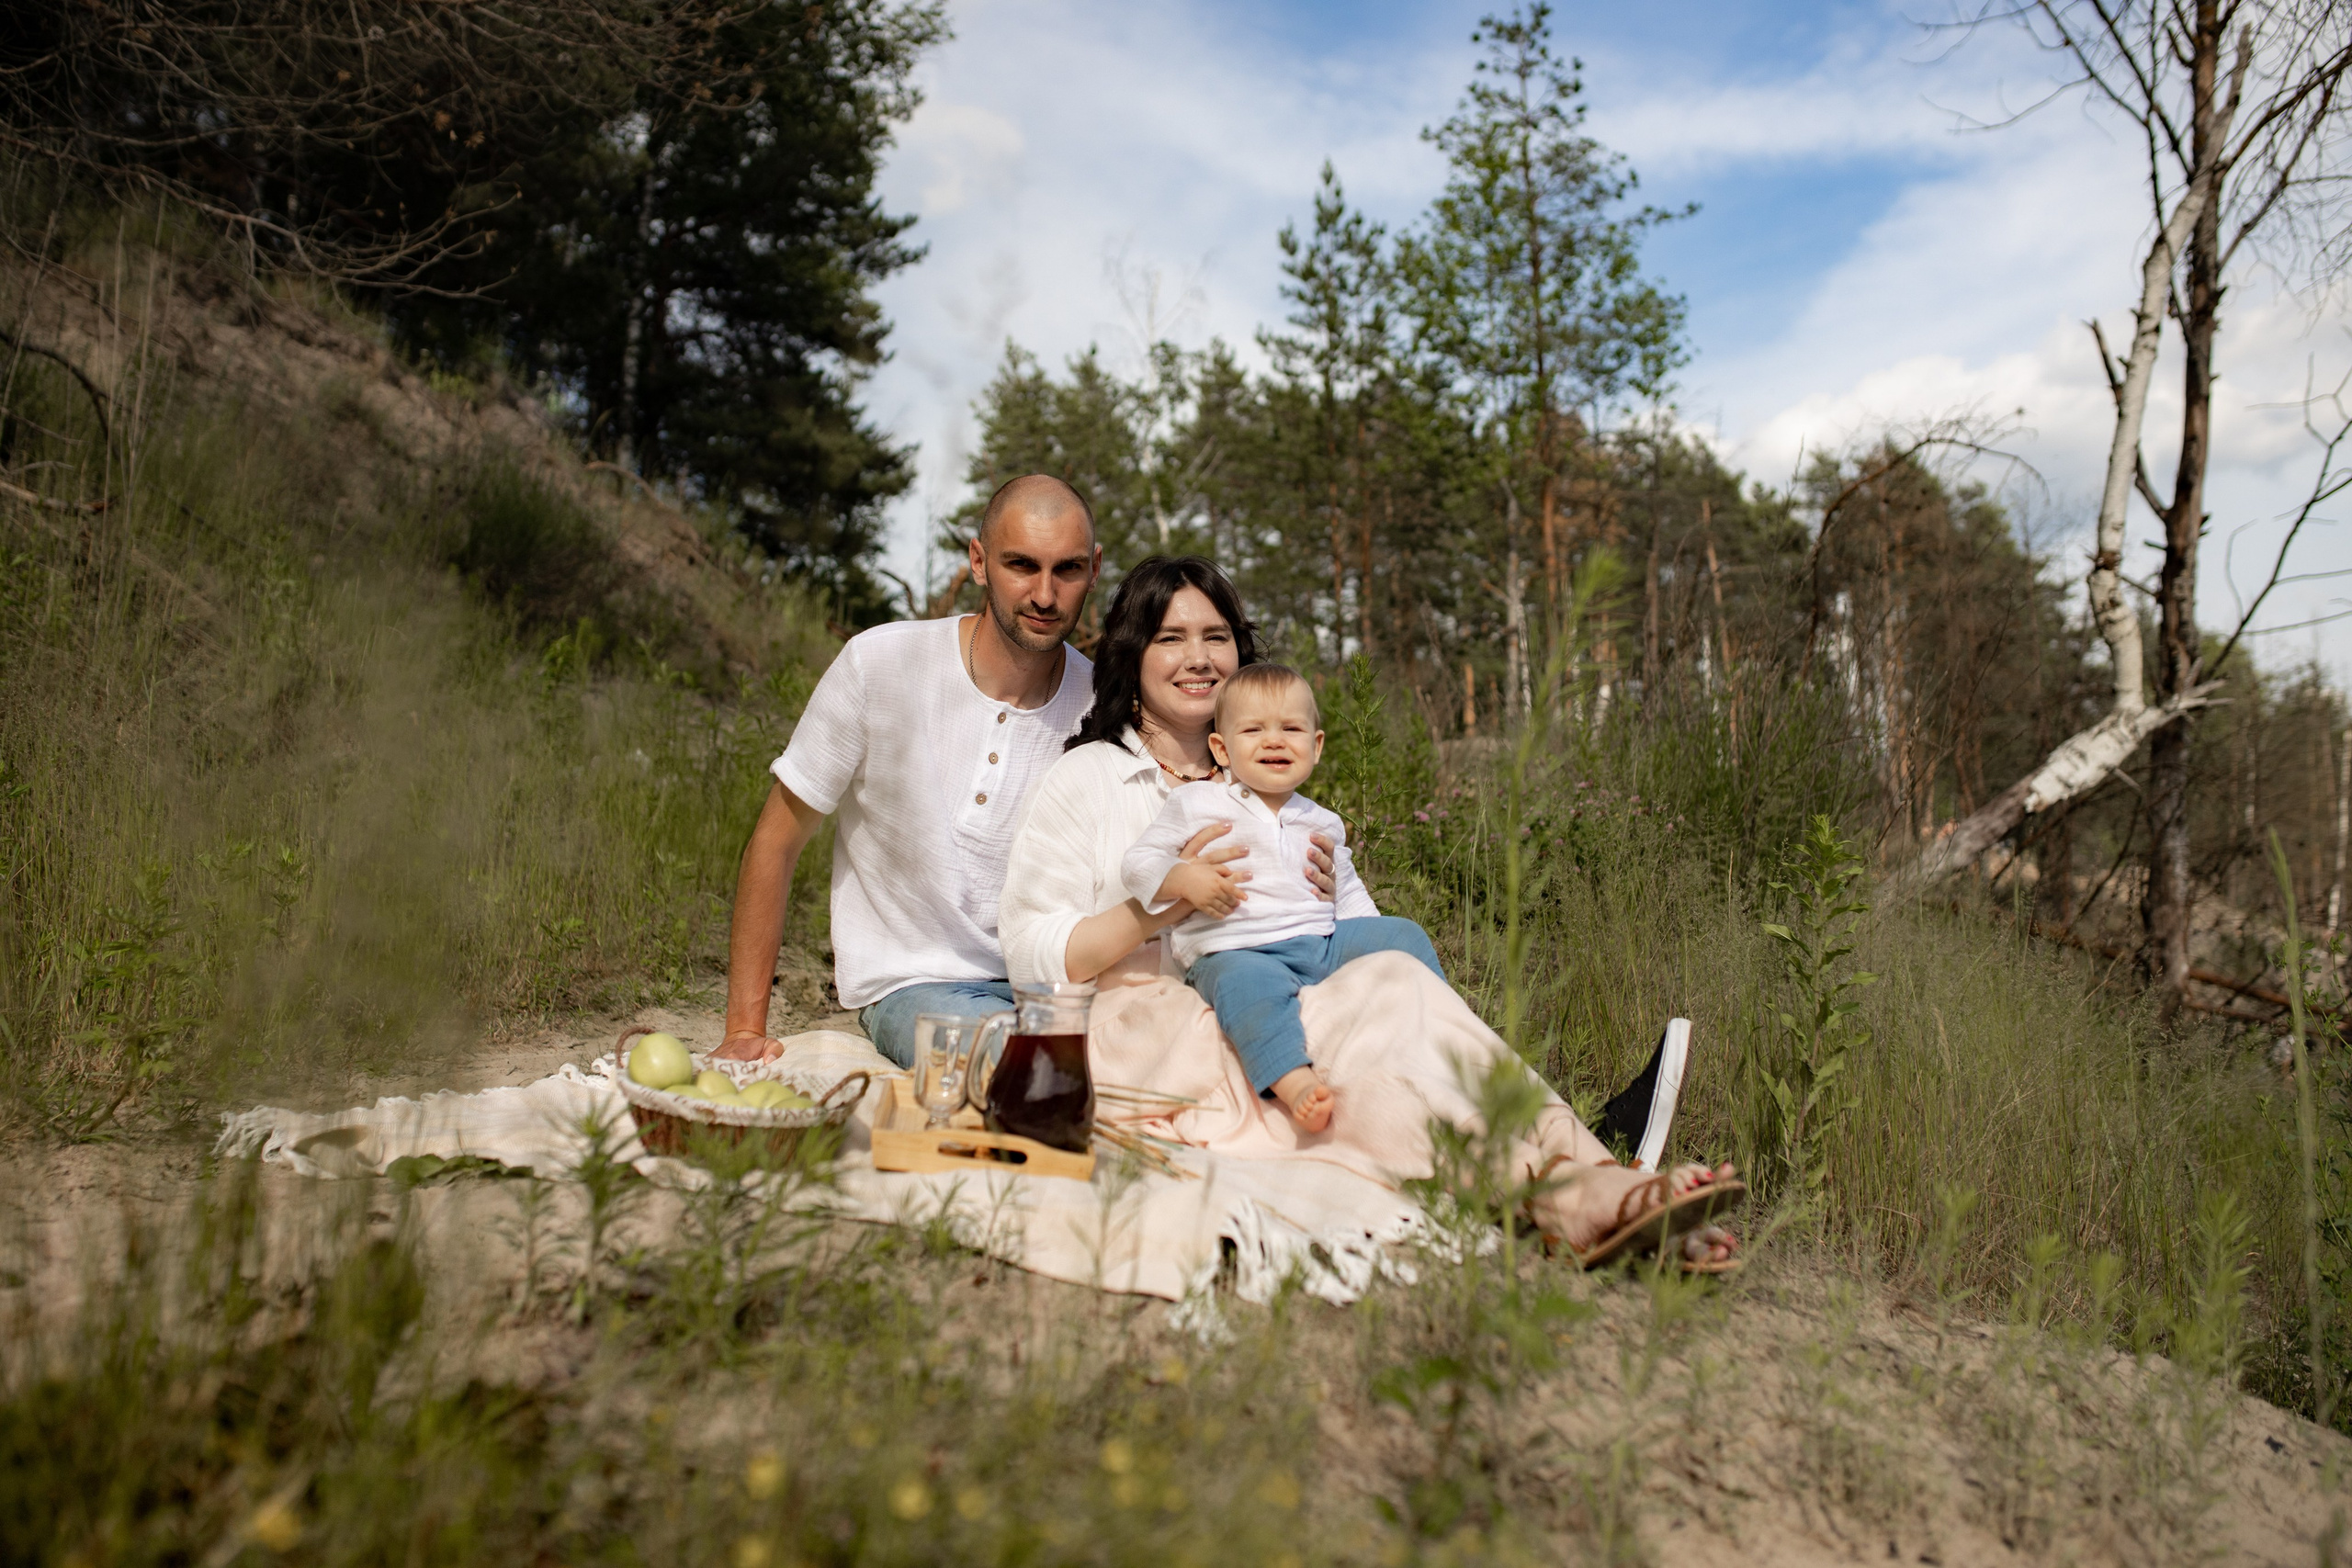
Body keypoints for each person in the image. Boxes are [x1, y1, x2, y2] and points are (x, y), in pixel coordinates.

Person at [999, 555, 1743, 1269]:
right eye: (1170, 638)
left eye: (1215, 636)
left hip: (1297, 985)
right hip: (1163, 1021)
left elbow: (1367, 948)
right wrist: (1162, 908)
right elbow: (1031, 951)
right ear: (1133, 656)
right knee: (1371, 1074)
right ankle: (1573, 1191)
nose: (1197, 657)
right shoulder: (1091, 775)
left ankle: (1604, 1180)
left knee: (1396, 983)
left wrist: (1324, 908)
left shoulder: (1277, 787)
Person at [714, 474, 1101, 1067]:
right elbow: (777, 839)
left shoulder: (1104, 704)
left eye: (1067, 569)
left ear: (1094, 569)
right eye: (1021, 565)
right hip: (916, 986)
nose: (1045, 595)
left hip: (1056, 984)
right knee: (1023, 1066)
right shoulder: (879, 664)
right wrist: (744, 1027)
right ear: (978, 561)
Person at [1121, 662, 1446, 1133]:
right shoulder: (1198, 804)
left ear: (1315, 746)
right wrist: (1183, 879)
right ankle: (1293, 1080)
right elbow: (1138, 862)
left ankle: (1442, 1024)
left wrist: (1370, 946)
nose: (1274, 741)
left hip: (1320, 943)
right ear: (1222, 748)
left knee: (1402, 934)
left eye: (1291, 729)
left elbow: (1349, 892)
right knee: (1245, 991)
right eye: (1253, 730)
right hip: (1236, 950)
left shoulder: (1321, 821)